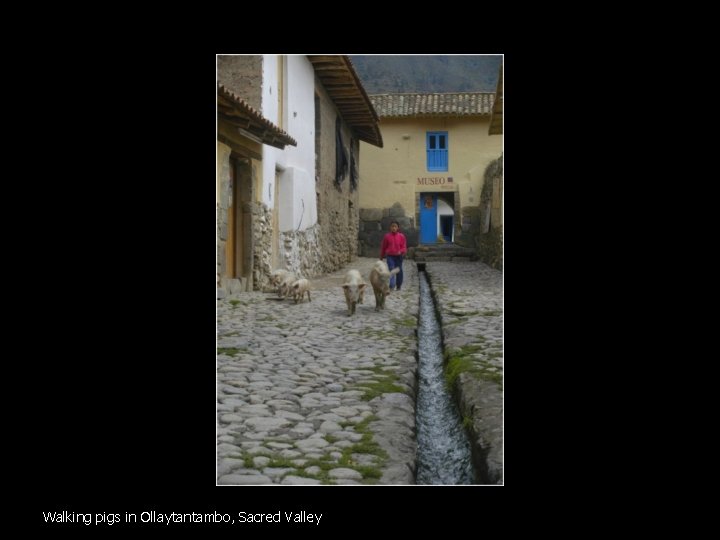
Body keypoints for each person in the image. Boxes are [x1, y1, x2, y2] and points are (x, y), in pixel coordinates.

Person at [380, 220, 407, 291]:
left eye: (395, 226)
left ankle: (398, 285)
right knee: (391, 270)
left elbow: (404, 247)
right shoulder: (387, 236)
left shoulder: (401, 236)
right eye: (392, 226)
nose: (394, 228)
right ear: (390, 227)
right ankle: (392, 285)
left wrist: (401, 251)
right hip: (390, 256)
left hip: (399, 257)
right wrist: (381, 256)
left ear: (398, 228)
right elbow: (383, 247)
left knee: (399, 271)